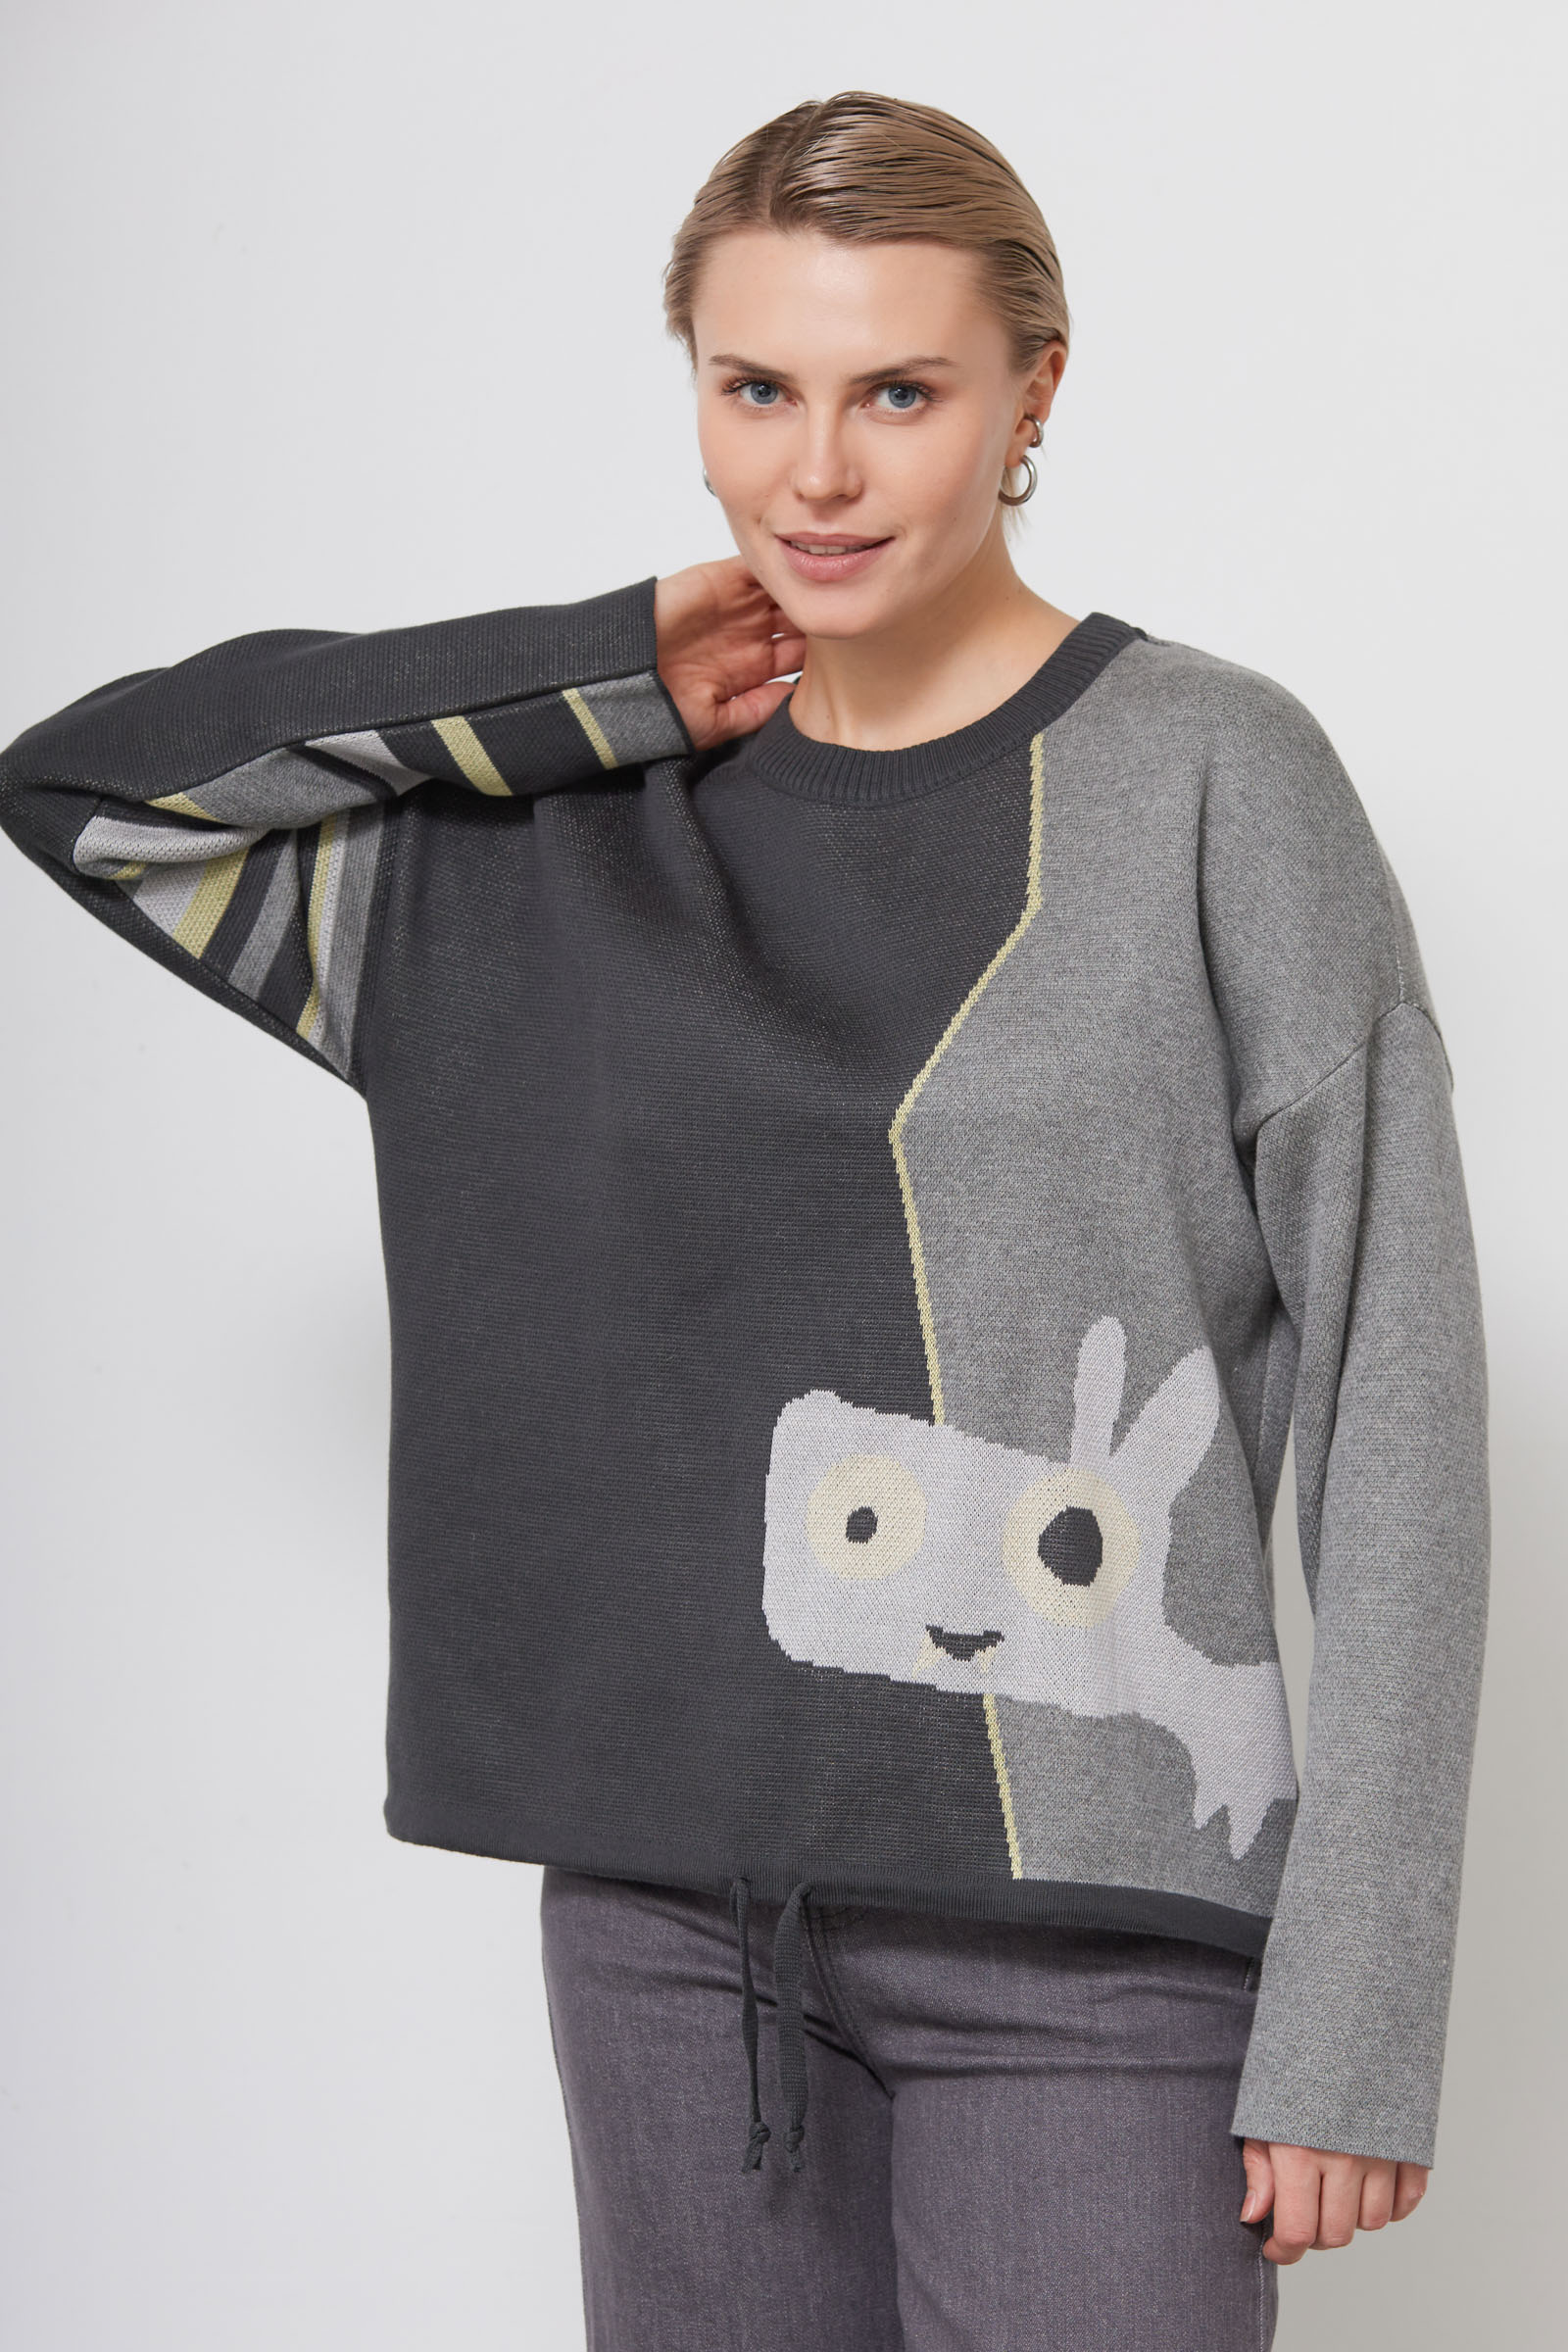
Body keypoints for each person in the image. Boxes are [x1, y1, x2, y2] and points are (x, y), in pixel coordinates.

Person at [0, 89, 1490, 2352]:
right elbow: (87, 790)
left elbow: (1396, 1399)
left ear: (1031, 398)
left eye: (897, 392)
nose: (815, 475)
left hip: (1094, 1953)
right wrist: (591, 667)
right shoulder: (541, 837)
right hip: (671, 1940)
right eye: (753, 387)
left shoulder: (1209, 777)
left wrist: (1357, 2016)